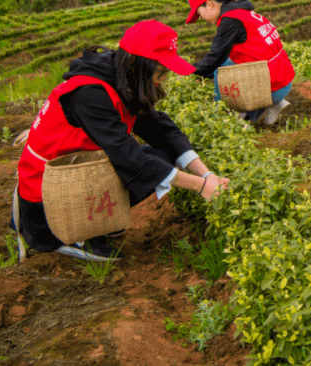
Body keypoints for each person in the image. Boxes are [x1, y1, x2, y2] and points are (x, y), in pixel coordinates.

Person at [14, 21, 230, 262]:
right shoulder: (90, 93)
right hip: (48, 196)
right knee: (143, 164)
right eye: (161, 72)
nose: (161, 81)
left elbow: (161, 130)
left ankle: (96, 220)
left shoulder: (121, 76)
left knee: (161, 156)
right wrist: (200, 187)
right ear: (140, 66)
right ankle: (70, 234)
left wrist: (206, 174)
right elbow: (130, 159)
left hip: (78, 174)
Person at [187, 0, 295, 125]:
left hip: (272, 87)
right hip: (283, 79)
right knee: (227, 61)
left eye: (199, 14)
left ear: (209, 4)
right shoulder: (243, 13)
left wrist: (192, 73)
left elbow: (216, 57)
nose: (202, 18)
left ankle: (229, 117)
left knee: (220, 69)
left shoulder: (230, 21)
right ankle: (273, 105)